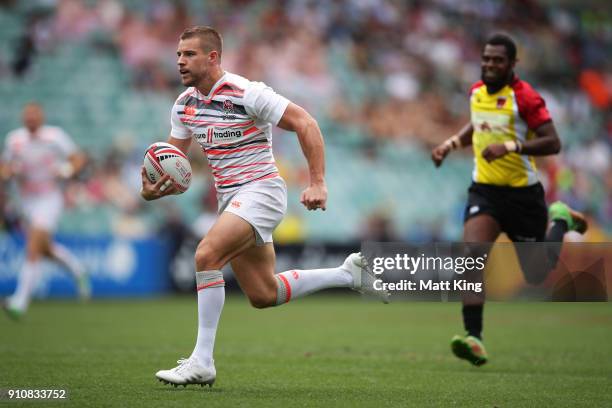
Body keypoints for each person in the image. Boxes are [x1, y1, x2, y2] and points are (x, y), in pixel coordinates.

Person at [140, 26, 387, 387]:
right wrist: (155, 189)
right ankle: (347, 274)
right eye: (178, 54)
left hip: (262, 191)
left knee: (206, 255)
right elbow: (172, 162)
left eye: (189, 54)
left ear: (212, 57)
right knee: (262, 294)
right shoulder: (184, 106)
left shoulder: (246, 92)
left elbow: (306, 122)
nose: (180, 61)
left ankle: (201, 361)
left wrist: (317, 181)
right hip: (232, 200)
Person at [431, 33, 587, 366]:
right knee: (471, 261)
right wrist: (450, 144)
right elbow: (476, 125)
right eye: (486, 58)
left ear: (513, 64)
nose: (489, 64)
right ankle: (474, 338)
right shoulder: (476, 92)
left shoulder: (526, 98)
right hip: (484, 191)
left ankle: (560, 218)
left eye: (497, 60)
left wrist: (512, 147)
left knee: (535, 273)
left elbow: (553, 142)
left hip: (523, 197)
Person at [2, 102, 90, 320]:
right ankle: (77, 269)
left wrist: (66, 170)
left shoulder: (55, 137)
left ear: (41, 117)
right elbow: (4, 167)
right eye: (27, 116)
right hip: (25, 201)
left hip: (49, 198)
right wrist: (9, 172)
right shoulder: (14, 140)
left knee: (33, 246)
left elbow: (78, 159)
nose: (31, 119)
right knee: (44, 249)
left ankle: (19, 301)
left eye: (34, 115)